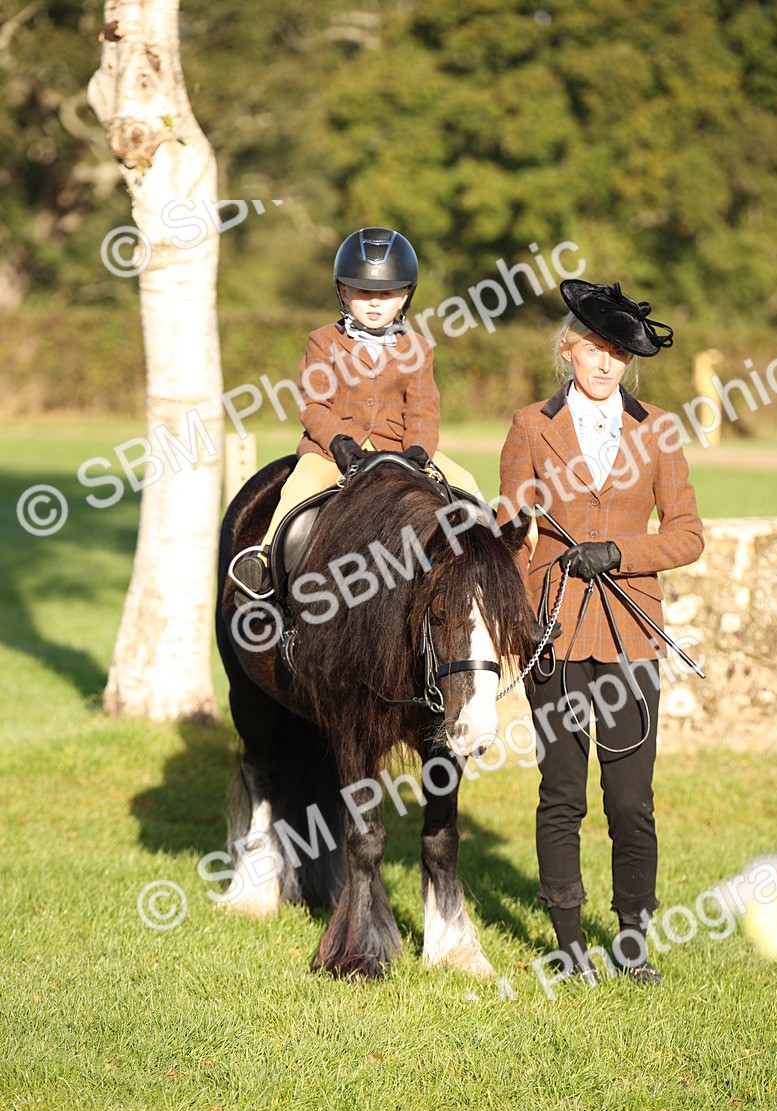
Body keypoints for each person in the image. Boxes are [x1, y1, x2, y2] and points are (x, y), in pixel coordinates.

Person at [499, 279, 704, 984]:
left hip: (631, 635)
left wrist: (619, 552)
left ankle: (634, 942)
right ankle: (567, 943)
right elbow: (510, 530)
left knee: (631, 801)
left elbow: (687, 535)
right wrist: (521, 612)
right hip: (554, 631)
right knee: (562, 795)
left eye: (619, 353)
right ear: (569, 349)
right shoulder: (530, 425)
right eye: (595, 349)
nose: (607, 363)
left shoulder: (660, 429)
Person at [238, 227, 479, 592]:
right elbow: (315, 404)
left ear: (405, 296)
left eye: (386, 293)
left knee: (467, 485)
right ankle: (265, 563)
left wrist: (419, 449)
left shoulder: (419, 348)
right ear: (344, 292)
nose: (375, 303)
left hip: (401, 449)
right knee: (298, 488)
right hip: (333, 452)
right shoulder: (323, 341)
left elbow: (424, 409)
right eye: (364, 292)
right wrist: (340, 443)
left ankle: (491, 567)